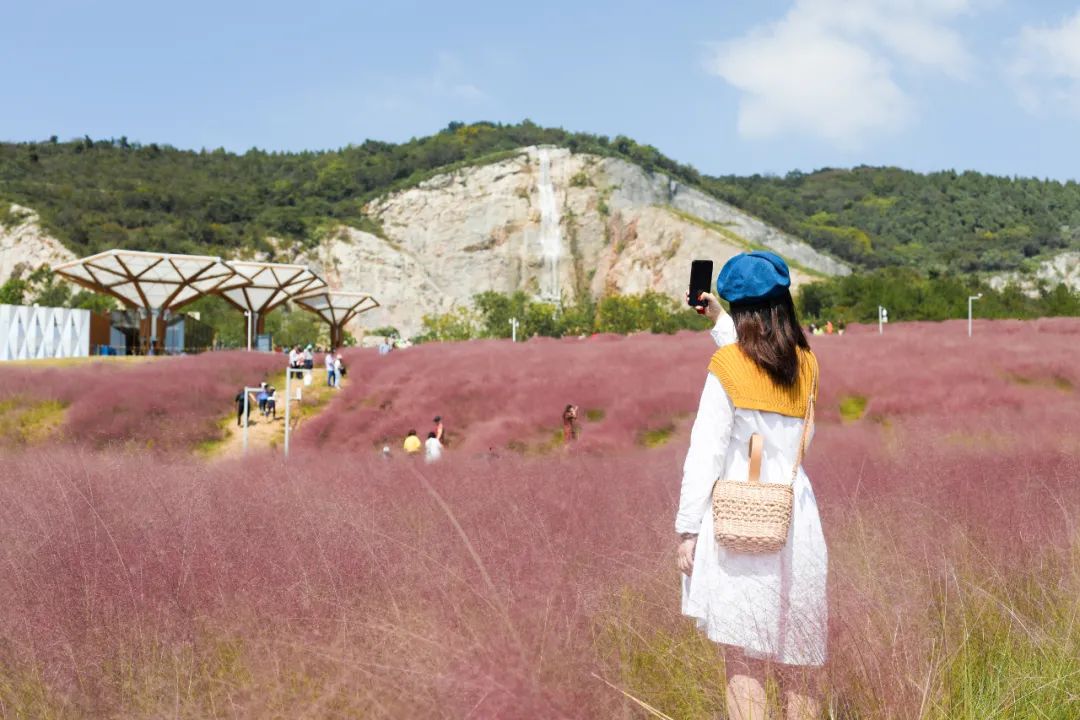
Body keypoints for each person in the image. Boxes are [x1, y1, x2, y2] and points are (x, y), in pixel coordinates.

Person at [679, 252, 826, 720]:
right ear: (783, 303)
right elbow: (760, 366)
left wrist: (686, 531)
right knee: (799, 650)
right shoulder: (807, 366)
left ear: (740, 309)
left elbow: (705, 452)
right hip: (795, 517)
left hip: (740, 521)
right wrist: (720, 321)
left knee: (744, 655)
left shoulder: (727, 367)